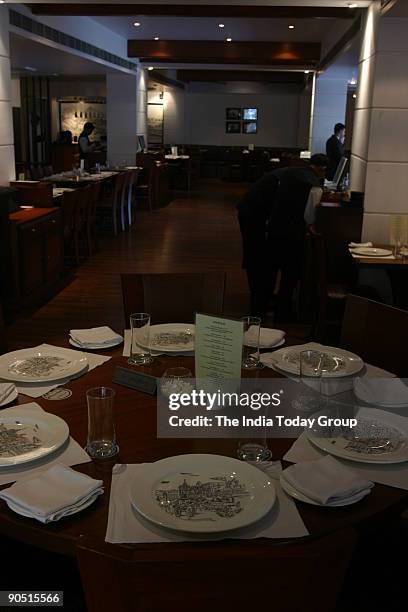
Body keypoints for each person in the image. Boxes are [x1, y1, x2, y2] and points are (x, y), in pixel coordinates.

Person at [237, 154, 328, 319]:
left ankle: (261, 305)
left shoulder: (297, 172)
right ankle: (267, 308)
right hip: (255, 213)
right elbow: (309, 216)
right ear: (321, 169)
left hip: (255, 210)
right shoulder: (311, 183)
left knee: (262, 261)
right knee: (259, 259)